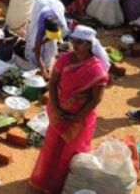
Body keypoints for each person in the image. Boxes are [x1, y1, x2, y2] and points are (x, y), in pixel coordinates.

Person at [29, 26, 109, 194]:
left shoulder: (96, 69)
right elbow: (52, 83)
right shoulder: (65, 59)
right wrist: (57, 108)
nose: (75, 45)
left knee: (69, 153)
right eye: (73, 41)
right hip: (58, 112)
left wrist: (76, 117)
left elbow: (96, 99)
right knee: (52, 148)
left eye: (80, 42)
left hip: (80, 118)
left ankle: (61, 186)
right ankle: (45, 182)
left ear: (89, 45)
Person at [25, 0, 68, 80]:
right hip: (41, 3)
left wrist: (43, 42)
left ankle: (47, 60)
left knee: (50, 44)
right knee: (33, 40)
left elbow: (56, 35)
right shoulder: (40, 27)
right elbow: (37, 53)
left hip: (56, 5)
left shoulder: (60, 21)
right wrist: (42, 68)